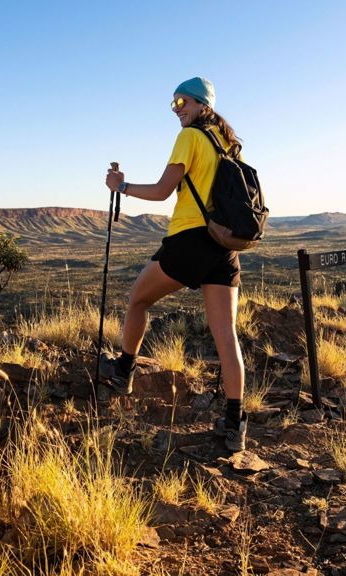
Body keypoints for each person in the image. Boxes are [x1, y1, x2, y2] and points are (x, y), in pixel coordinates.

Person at [103, 77, 248, 451]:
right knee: (226, 336)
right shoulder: (229, 145)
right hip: (224, 245)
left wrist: (121, 186)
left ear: (203, 105)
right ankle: (235, 426)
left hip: (189, 240)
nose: (177, 108)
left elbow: (161, 191)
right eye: (173, 103)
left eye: (183, 101)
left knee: (138, 300)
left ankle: (124, 372)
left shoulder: (191, 138)